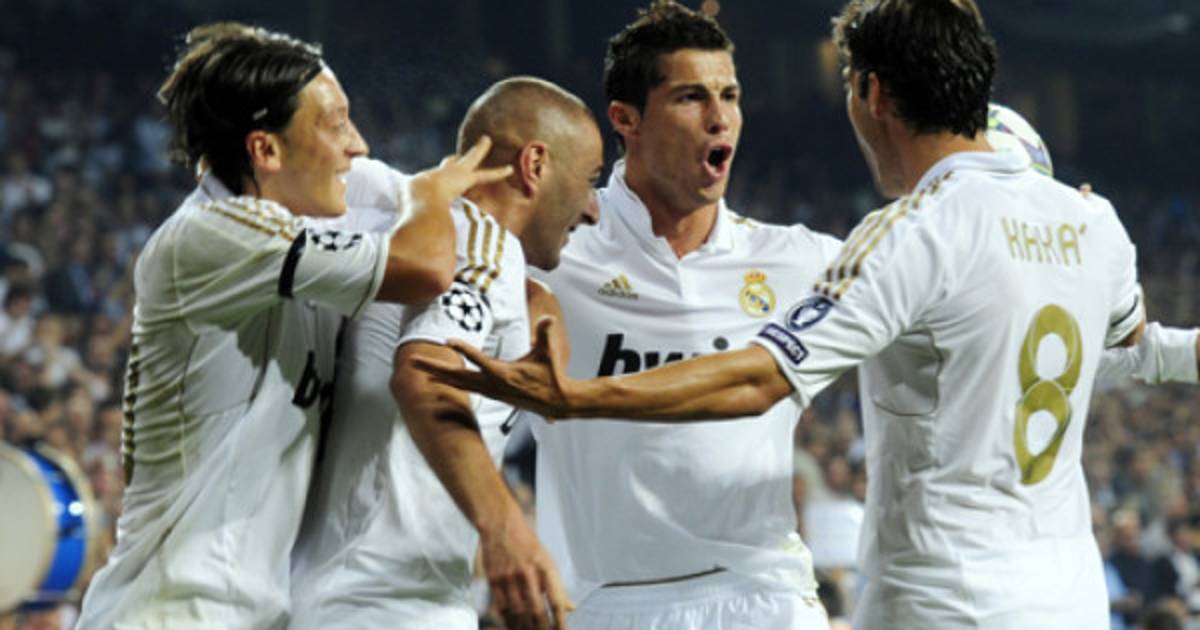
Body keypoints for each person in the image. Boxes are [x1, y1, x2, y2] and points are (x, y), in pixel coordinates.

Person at [418, 1, 1154, 627]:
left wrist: (1040, 226)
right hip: (611, 600)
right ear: (626, 119)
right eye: (691, 98)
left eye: (731, 95)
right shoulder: (557, 251)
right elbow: (436, 328)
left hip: (765, 595)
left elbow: (1003, 314)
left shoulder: (807, 260)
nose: (721, 118)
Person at [76, 22, 510, 629]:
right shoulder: (211, 233)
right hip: (172, 609)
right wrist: (429, 195)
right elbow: (425, 266)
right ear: (266, 151)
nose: (357, 145)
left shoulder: (295, 242)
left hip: (244, 612)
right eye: (336, 125)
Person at [289, 76, 603, 630]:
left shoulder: (405, 230)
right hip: (388, 608)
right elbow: (423, 374)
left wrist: (535, 299)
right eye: (590, 180)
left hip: (323, 593)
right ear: (534, 165)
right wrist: (508, 531)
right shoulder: (485, 244)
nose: (594, 209)